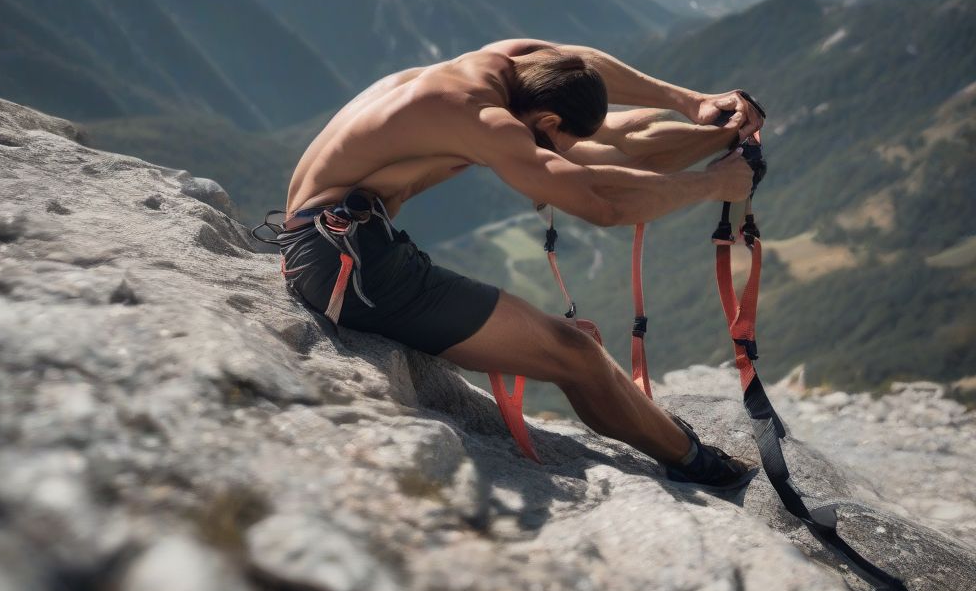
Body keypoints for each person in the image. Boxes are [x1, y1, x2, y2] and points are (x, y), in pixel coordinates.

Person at [278, 39, 763, 489]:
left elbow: (596, 84)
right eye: (557, 143)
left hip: (341, 243)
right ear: (548, 121)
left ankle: (656, 429)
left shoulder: (510, 64)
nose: (556, 151)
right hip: (349, 265)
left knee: (576, 340)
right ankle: (695, 462)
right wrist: (711, 186)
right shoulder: (483, 120)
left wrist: (696, 106)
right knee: (576, 356)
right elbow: (601, 201)